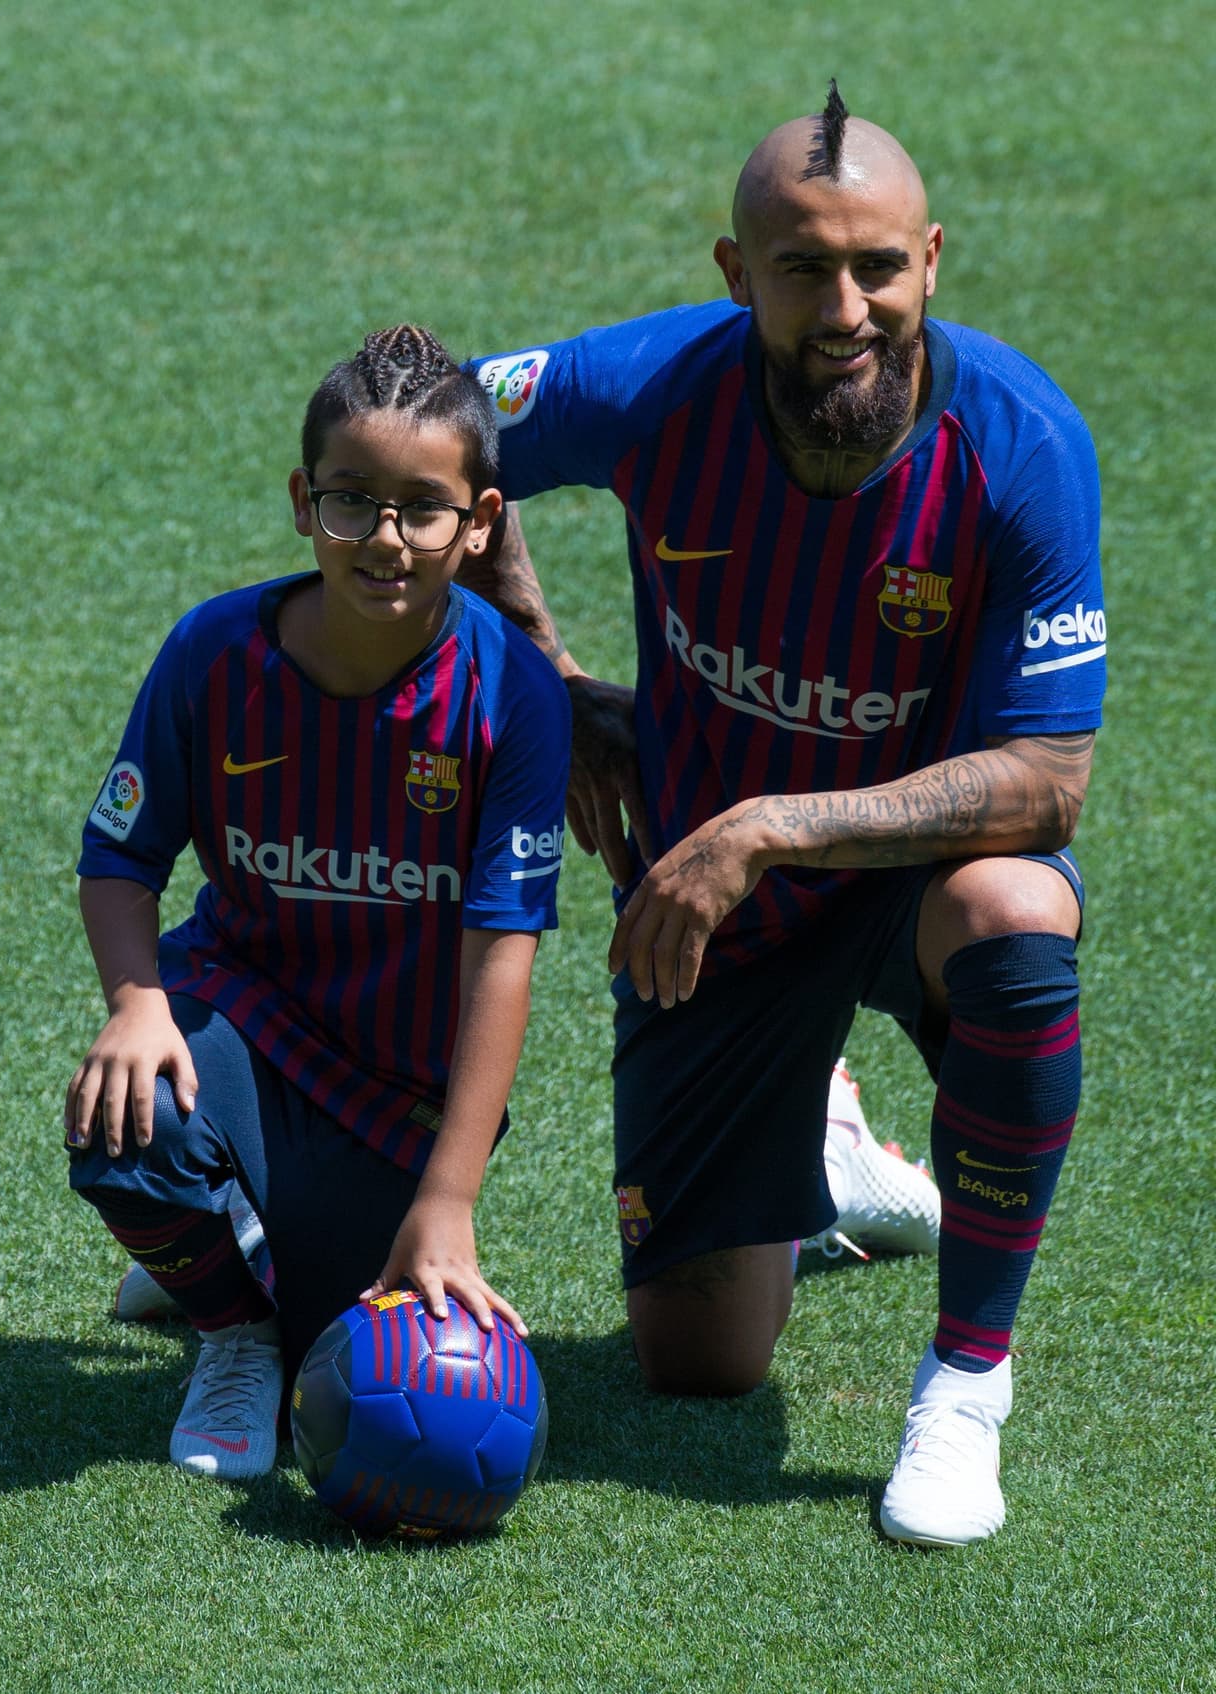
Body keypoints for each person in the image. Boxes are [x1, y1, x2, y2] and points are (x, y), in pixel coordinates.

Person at [458, 82, 1104, 1546]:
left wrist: (766, 825)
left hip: (895, 876)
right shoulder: (650, 387)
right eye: (804, 267)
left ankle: (965, 1384)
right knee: (700, 1365)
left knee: (1015, 912)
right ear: (735, 272)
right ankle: (822, 1149)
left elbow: (1050, 780)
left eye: (879, 265)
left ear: (932, 258)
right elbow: (432, 419)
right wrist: (548, 684)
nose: (847, 306)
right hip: (718, 926)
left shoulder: (1023, 443)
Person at [64, 326, 571, 1481]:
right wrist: (138, 1002)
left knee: (345, 1313)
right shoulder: (213, 651)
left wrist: (447, 1196)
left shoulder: (513, 694)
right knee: (122, 1122)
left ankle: (243, 1241)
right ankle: (229, 1328)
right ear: (303, 501)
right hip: (244, 1014)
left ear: (479, 522)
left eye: (422, 508)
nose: (384, 538)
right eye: (352, 500)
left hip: (398, 1084)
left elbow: (502, 952)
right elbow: (118, 857)